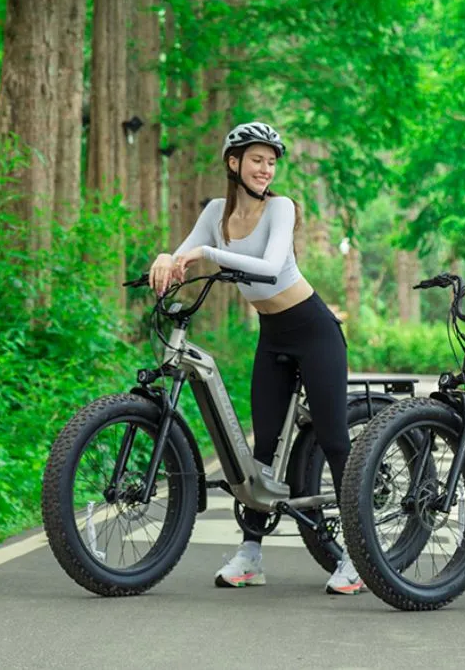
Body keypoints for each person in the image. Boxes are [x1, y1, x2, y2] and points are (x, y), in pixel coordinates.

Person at [148, 122, 364, 595]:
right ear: (234, 163)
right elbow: (183, 254)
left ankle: (357, 553)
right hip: (273, 335)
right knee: (261, 449)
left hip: (314, 331)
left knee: (333, 439)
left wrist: (206, 253)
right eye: (257, 160)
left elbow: (268, 266)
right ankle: (250, 555)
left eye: (271, 161)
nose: (266, 169)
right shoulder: (214, 214)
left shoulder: (281, 208)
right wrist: (167, 257)